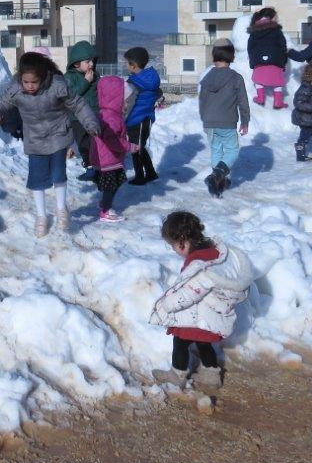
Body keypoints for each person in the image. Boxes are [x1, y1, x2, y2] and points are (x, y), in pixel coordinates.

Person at [0, 51, 102, 236]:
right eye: (26, 82)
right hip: (35, 139)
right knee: (37, 179)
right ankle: (41, 216)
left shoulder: (57, 85)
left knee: (58, 174)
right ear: (20, 78)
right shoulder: (16, 89)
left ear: (43, 76)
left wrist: (90, 123)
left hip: (58, 135)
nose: (30, 86)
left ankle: (61, 208)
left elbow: (78, 104)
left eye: (34, 82)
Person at [149, 211, 253, 394]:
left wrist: (168, 305)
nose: (173, 250)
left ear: (182, 240)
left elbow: (190, 292)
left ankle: (177, 374)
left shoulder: (198, 264)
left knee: (180, 341)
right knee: (203, 343)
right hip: (209, 315)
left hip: (197, 315)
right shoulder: (214, 252)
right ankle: (211, 375)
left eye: (173, 245)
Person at [198, 39, 250, 198]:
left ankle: (218, 183)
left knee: (216, 150)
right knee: (232, 150)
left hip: (209, 122)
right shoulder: (236, 78)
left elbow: (202, 101)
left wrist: (204, 119)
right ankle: (217, 175)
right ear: (231, 57)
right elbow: (242, 101)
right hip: (227, 122)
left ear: (214, 56)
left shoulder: (207, 78)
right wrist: (245, 121)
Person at [90, 75, 133, 222]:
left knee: (114, 184)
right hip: (109, 160)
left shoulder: (106, 113)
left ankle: (104, 203)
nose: (127, 104)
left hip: (106, 158)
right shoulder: (112, 118)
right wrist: (129, 146)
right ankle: (105, 211)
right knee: (111, 186)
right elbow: (113, 141)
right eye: (125, 100)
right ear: (116, 100)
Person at [123, 46, 164, 185]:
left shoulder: (134, 82)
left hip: (136, 119)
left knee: (136, 149)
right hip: (145, 119)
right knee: (139, 147)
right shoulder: (150, 79)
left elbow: (127, 101)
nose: (125, 65)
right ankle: (150, 173)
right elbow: (157, 93)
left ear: (133, 66)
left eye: (126, 63)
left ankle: (140, 176)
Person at [63, 40, 100, 179]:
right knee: (84, 144)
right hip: (77, 118)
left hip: (94, 114)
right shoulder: (69, 77)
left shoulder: (95, 74)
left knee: (96, 142)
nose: (92, 64)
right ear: (76, 63)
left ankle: (99, 167)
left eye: (93, 61)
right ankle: (90, 168)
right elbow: (71, 96)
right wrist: (86, 81)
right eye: (88, 61)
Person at [246, 7, 291, 109]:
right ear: (271, 17)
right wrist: (283, 62)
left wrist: (252, 63)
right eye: (276, 17)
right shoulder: (277, 30)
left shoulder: (254, 32)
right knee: (277, 81)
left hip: (258, 61)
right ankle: (278, 101)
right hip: (275, 60)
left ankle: (260, 98)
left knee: (258, 80)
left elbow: (250, 48)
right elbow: (283, 46)